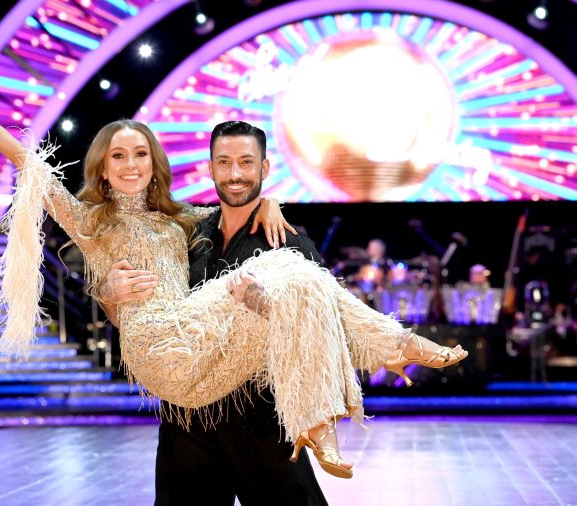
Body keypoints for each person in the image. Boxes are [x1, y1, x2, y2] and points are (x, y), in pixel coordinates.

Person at [0, 44, 467, 494]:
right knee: (291, 273)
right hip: (164, 355)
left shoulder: (182, 221)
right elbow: (24, 160)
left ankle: (362, 376)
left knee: (295, 275)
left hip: (225, 372)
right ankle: (359, 381)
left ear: (155, 163)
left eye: (139, 154)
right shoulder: (92, 222)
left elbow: (239, 203)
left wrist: (269, 204)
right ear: (102, 168)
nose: (130, 164)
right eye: (118, 156)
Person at [97, 121, 468, 501]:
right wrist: (109, 294)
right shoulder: (185, 234)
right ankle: (399, 343)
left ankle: (395, 344)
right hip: (188, 424)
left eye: (246, 162)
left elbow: (325, 325)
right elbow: (137, 319)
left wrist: (265, 302)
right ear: (210, 169)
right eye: (224, 163)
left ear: (265, 169)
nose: (236, 174)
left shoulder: (289, 242)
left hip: (261, 420)